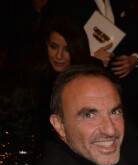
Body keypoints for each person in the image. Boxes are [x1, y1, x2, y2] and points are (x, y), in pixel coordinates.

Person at [33, 14, 94, 144]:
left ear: (77, 48)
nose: (58, 56)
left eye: (67, 49)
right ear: (46, 44)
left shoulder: (91, 80)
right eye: (53, 47)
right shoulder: (35, 79)